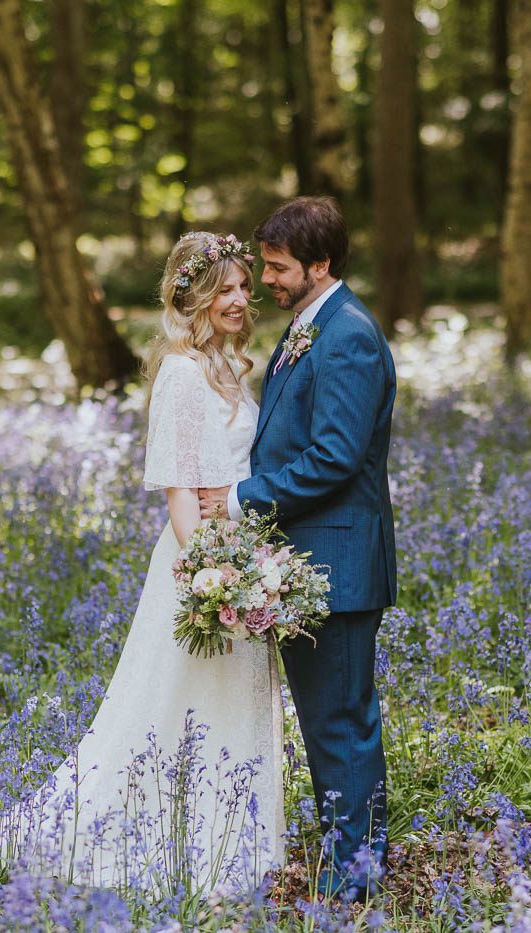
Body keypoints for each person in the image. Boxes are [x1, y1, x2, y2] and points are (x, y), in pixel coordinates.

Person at [0, 232, 284, 894]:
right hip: (200, 564)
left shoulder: (227, 368)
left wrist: (250, 565)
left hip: (240, 558)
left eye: (245, 287)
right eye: (224, 288)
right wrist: (210, 577)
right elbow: (179, 494)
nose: (240, 299)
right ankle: (177, 850)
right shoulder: (183, 374)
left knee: (226, 699)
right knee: (180, 705)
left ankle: (234, 847)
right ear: (190, 295)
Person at [198, 196, 397, 901]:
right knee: (324, 720)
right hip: (307, 562)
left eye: (279, 269)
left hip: (338, 564)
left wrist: (242, 498)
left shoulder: (347, 336)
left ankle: (359, 876)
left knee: (342, 721)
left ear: (321, 264)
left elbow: (336, 457)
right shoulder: (306, 329)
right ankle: (346, 855)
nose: (268, 282)